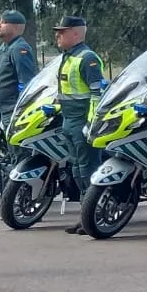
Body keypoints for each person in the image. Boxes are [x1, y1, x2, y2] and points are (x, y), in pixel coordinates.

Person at [54, 16, 105, 235]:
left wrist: (91, 124)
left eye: (62, 32)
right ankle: (85, 214)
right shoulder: (68, 57)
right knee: (76, 169)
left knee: (88, 169)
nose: (58, 36)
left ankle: (95, 214)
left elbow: (96, 94)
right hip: (69, 119)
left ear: (75, 34)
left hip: (82, 120)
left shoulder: (87, 58)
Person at [0, 10, 37, 124]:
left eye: (4, 22)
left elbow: (26, 82)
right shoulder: (4, 47)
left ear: (16, 27)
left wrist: (20, 110)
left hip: (13, 111)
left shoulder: (19, 49)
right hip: (4, 110)